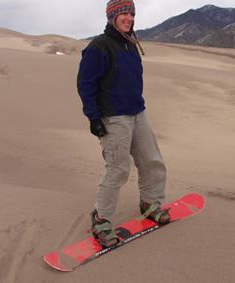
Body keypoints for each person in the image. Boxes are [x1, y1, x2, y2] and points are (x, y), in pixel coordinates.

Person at [77, 0, 170, 248]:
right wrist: (94, 118)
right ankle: (102, 219)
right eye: (123, 14)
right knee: (117, 169)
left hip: (138, 113)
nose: (128, 18)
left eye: (131, 13)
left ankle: (150, 203)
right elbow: (85, 85)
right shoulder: (99, 47)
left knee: (152, 160)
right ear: (112, 17)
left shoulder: (130, 44)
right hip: (113, 117)